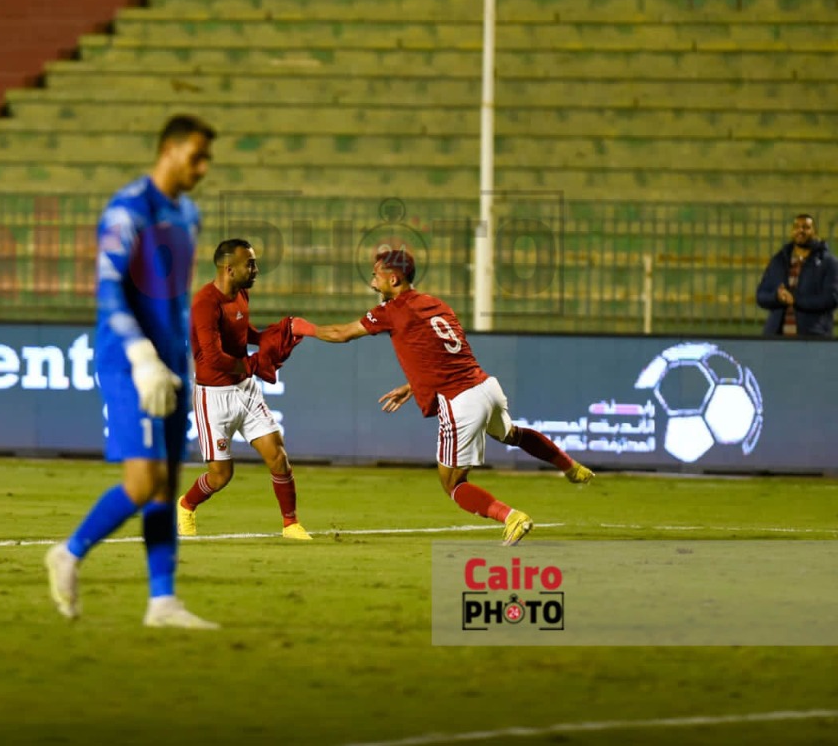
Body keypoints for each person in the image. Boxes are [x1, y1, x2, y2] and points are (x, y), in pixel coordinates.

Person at [292, 249, 594, 546]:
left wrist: (304, 328)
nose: (373, 283)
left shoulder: (392, 311)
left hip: (460, 401)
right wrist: (412, 385)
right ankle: (570, 467)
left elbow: (341, 333)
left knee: (452, 484)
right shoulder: (436, 304)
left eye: (376, 276)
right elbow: (440, 352)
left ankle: (512, 517)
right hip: (486, 387)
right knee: (512, 434)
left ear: (394, 279)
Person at [45, 115, 219, 628]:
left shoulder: (188, 214)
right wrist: (141, 355)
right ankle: (68, 553)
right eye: (197, 157)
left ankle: (162, 602)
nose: (203, 169)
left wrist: (181, 355)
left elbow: (175, 294)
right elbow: (109, 289)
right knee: (144, 482)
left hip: (172, 360)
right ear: (168, 150)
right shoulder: (128, 209)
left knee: (167, 485)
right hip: (130, 361)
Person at [180, 238, 310, 539]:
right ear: (229, 268)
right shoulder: (205, 303)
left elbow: (241, 332)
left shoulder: (241, 294)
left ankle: (290, 524)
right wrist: (253, 364)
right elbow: (214, 358)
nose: (256, 269)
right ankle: (186, 505)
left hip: (245, 390)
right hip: (213, 396)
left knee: (277, 455)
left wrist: (266, 338)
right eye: (250, 264)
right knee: (221, 476)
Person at [755, 213, 838, 337]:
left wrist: (796, 300)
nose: (800, 230)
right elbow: (761, 296)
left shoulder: (828, 262)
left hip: (813, 337)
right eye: (796, 227)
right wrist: (777, 297)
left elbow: (832, 298)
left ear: (814, 232)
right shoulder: (779, 261)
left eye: (806, 227)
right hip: (776, 338)